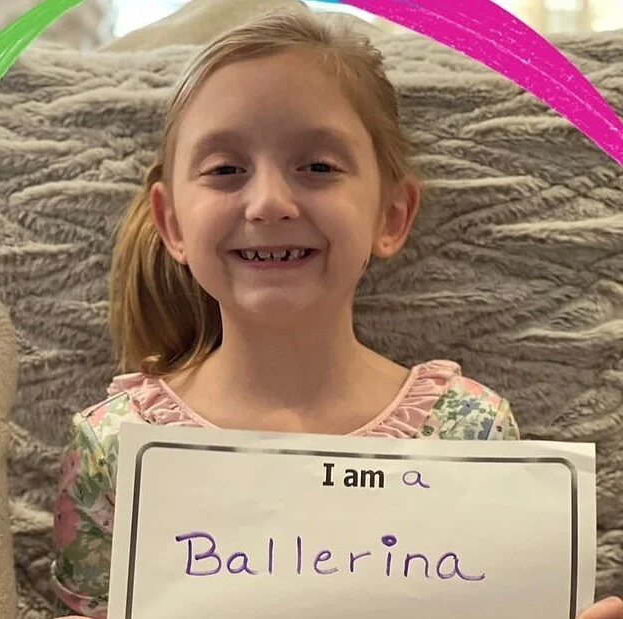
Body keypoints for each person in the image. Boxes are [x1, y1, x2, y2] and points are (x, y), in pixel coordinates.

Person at [51, 9, 622, 619]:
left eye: (318, 167)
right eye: (225, 170)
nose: (269, 202)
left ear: (391, 216)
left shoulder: (471, 433)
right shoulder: (116, 446)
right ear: (172, 224)